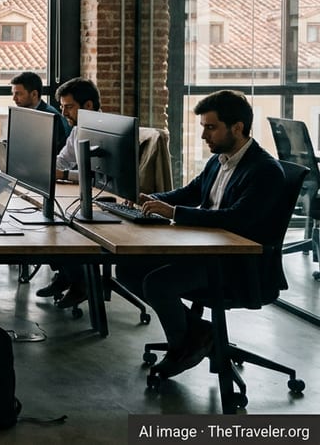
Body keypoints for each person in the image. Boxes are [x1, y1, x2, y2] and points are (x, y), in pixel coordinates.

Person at [118, 90, 285, 379]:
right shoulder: (220, 159)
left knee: (158, 283)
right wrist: (149, 200)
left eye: (211, 127)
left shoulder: (264, 171)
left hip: (237, 264)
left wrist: (173, 213)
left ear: (237, 128)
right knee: (127, 269)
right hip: (206, 250)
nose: (204, 136)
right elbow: (190, 193)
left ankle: (182, 347)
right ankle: (200, 333)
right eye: (203, 128)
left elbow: (235, 220)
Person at [35, 77, 102, 308]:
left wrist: (62, 175)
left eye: (69, 107)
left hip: (102, 199)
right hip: (82, 196)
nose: (64, 113)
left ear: (89, 106)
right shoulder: (77, 131)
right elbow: (63, 160)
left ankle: (81, 282)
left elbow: (96, 178)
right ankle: (67, 275)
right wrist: (41, 166)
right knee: (45, 219)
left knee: (59, 223)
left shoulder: (102, 132)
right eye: (62, 107)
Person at [9, 71, 70, 153]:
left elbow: (57, 153)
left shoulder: (51, 117)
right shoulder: (24, 112)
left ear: (34, 94)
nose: (14, 98)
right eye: (13, 94)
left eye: (18, 94)